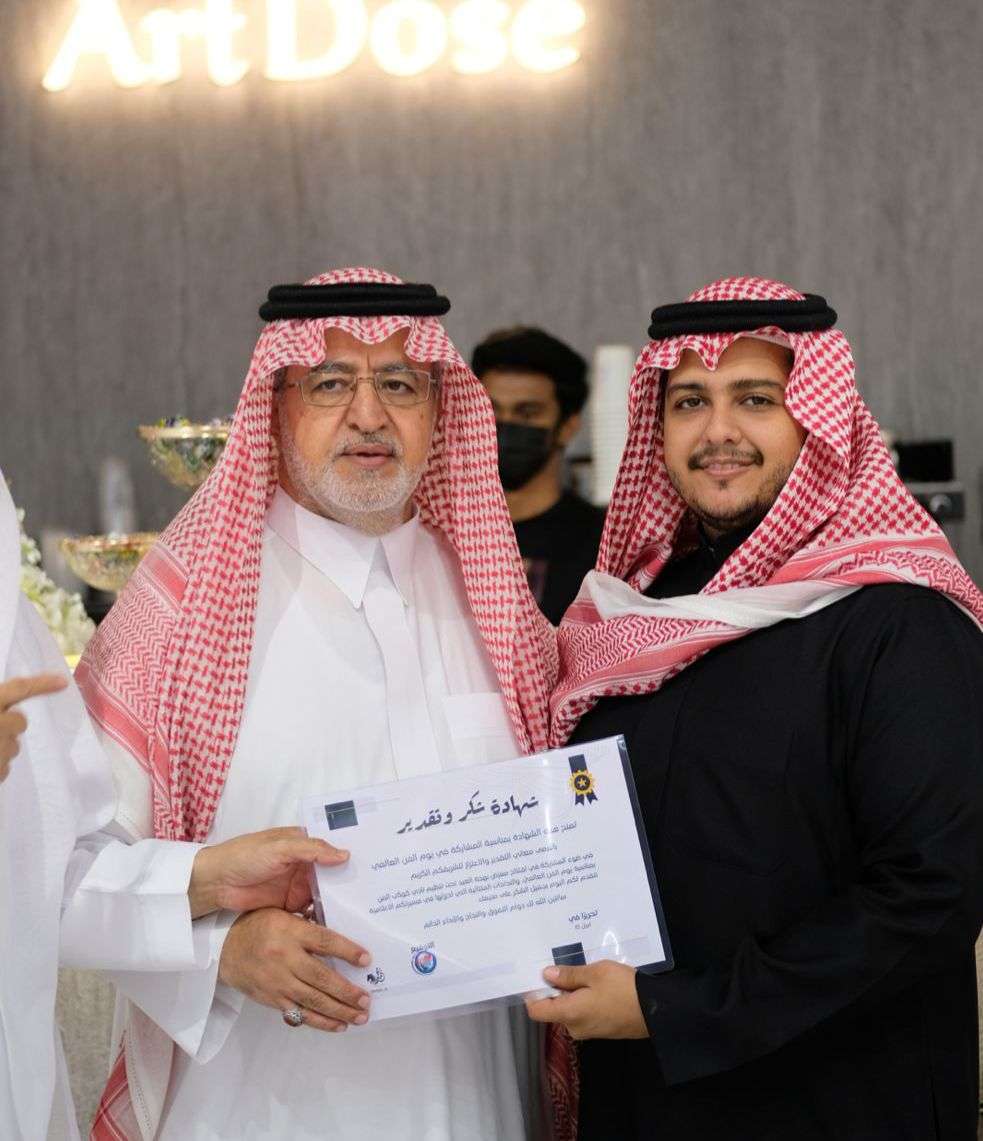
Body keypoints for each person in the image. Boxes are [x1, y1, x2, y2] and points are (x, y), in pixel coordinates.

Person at [72, 269, 558, 1140]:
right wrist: (220, 948)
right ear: (276, 404)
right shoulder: (176, 619)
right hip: (258, 1109)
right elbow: (57, 872)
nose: (369, 415)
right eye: (331, 383)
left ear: (439, 410)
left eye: (399, 385)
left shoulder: (496, 607)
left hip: (479, 1103)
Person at [527, 277, 983, 1140]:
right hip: (641, 1091)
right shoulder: (630, 613)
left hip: (834, 1100)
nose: (717, 431)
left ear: (818, 420)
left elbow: (932, 892)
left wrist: (676, 1009)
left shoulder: (896, 618)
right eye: (689, 401)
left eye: (755, 399)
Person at [0, 473, 359, 1140]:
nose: (368, 422)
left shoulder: (5, 603)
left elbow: (55, 874)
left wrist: (208, 879)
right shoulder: (182, 603)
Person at [472, 327, 605, 623]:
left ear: (567, 426)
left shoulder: (601, 547)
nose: (504, 425)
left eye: (527, 413)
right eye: (490, 409)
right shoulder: (441, 532)